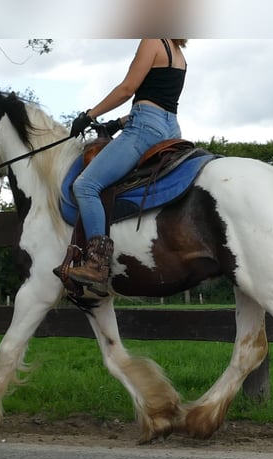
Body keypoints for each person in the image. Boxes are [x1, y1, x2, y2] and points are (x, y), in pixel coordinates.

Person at [64, 39, 188, 295]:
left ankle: (97, 264)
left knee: (85, 186)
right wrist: (118, 123)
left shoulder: (153, 41)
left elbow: (127, 89)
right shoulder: (178, 54)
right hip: (171, 130)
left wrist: (90, 114)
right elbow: (158, 99)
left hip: (146, 129)